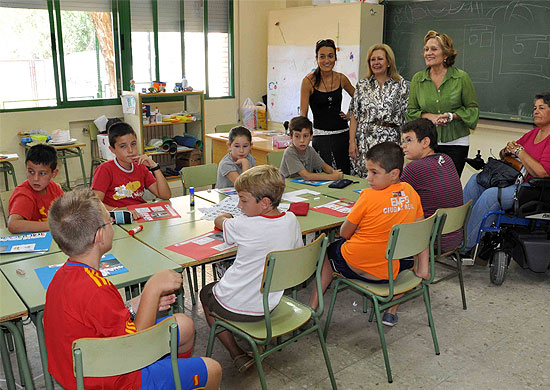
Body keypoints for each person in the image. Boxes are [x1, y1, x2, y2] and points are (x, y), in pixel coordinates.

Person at [43, 189, 222, 390]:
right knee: (213, 369)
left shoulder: (64, 276)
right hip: (114, 379)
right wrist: (152, 290)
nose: (112, 224)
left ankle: (170, 379)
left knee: (184, 324)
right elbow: (134, 344)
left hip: (81, 372)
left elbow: (100, 320)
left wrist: (139, 303)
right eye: (110, 220)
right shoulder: (97, 289)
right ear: (100, 235)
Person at [309, 142, 427, 327]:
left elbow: (344, 233)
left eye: (374, 172)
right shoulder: (411, 192)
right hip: (395, 266)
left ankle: (312, 308)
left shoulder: (368, 196)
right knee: (405, 255)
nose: (368, 178)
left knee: (326, 252)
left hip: (362, 266)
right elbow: (421, 229)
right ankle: (391, 311)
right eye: (368, 171)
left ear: (394, 174)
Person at [200, 165, 302, 372]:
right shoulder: (291, 219)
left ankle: (236, 352)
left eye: (243, 200)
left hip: (241, 307)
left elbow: (220, 221)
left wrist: (226, 216)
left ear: (264, 203)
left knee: (205, 293)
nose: (239, 205)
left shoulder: (244, 225)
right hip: (271, 301)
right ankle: (258, 341)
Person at [463, 92, 550, 253]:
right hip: (516, 181)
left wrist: (520, 152)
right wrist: (507, 150)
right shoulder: (532, 134)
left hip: (534, 190)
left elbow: (542, 172)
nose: (535, 111)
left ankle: (465, 246)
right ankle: (451, 235)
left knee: (491, 195)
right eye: (534, 108)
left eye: (541, 108)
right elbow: (507, 153)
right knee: (476, 180)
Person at [406, 30, 479, 177]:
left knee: (447, 186)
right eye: (426, 49)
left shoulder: (461, 77)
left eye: (434, 49)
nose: (428, 53)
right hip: (426, 143)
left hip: (456, 143)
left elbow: (472, 110)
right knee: (427, 184)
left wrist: (452, 116)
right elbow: (410, 112)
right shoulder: (418, 79)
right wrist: (430, 117)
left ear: (445, 54)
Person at [401, 119, 463, 252]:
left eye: (409, 140)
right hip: (454, 237)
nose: (403, 146)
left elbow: (392, 199)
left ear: (425, 142)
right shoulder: (447, 159)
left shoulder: (414, 168)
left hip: (430, 241)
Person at [349, 44, 409, 178]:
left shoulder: (400, 84)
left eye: (380, 59)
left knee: (388, 176)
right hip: (365, 140)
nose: (376, 63)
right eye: (372, 59)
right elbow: (354, 114)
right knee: (367, 177)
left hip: (390, 140)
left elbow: (406, 115)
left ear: (388, 62)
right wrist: (352, 142)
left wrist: (406, 143)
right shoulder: (362, 85)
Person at [300, 38, 355, 174]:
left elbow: (360, 99)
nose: (326, 61)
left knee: (345, 176)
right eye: (322, 57)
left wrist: (349, 115)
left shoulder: (341, 78)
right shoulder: (308, 81)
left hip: (342, 136)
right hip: (320, 137)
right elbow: (303, 114)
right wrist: (304, 138)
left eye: (330, 56)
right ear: (317, 58)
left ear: (335, 58)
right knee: (324, 178)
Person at [92, 121, 171, 212]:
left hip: (139, 214)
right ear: (112, 149)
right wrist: (120, 212)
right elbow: (95, 203)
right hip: (117, 217)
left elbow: (165, 195)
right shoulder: (105, 169)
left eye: (133, 144)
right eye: (123, 146)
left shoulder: (140, 167)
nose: (130, 150)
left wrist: (155, 167)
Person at [8, 144, 64, 233]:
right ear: (26, 169)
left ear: (54, 173)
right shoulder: (24, 194)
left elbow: (68, 210)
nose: (35, 179)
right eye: (31, 172)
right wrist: (53, 225)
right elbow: (13, 225)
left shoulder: (54, 188)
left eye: (42, 173)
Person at [279, 116, 344, 181]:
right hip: (287, 186)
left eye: (305, 136)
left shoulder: (310, 150)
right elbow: (306, 176)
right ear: (291, 137)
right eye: (297, 136)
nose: (302, 140)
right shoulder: (289, 152)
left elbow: (324, 166)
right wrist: (332, 177)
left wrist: (333, 172)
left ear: (311, 137)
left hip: (303, 186)